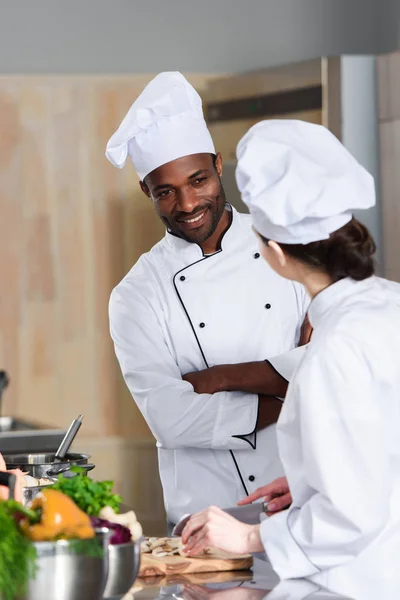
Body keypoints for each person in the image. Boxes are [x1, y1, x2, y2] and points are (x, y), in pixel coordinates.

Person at [181, 119, 400, 585]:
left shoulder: (332, 352)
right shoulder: (390, 305)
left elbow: (351, 517)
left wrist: (250, 538)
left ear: (276, 253)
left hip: (359, 581)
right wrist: (309, 483)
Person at [105, 73, 311, 529]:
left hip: (304, 501)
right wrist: (295, 391)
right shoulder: (136, 295)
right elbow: (173, 419)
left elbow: (334, 356)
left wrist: (219, 379)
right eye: (166, 191)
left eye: (198, 180)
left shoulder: (286, 243)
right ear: (147, 192)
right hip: (206, 516)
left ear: (219, 166)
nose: (187, 202)